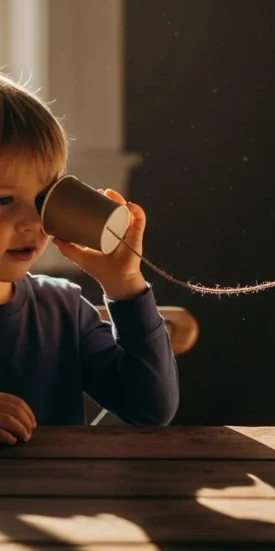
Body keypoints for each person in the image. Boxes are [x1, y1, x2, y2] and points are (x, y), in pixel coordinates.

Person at [0, 75, 179, 445]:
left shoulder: (62, 309)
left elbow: (149, 409)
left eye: (43, 199)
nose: (33, 222)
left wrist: (124, 286)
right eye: (4, 200)